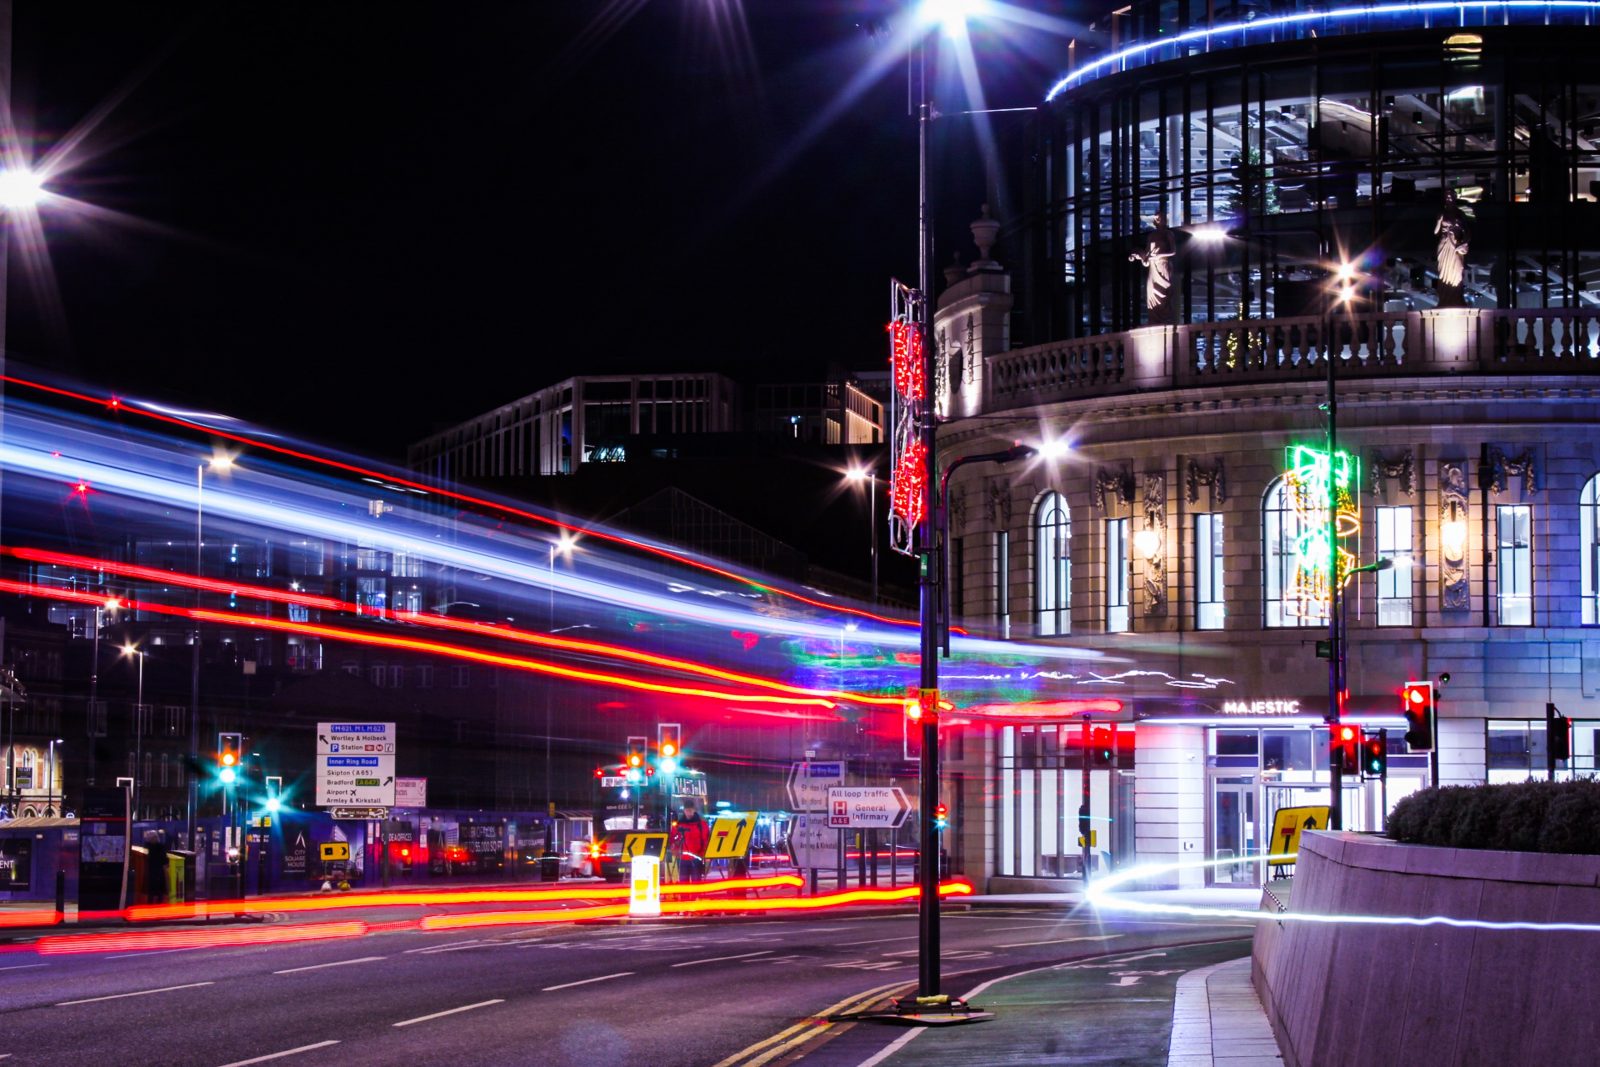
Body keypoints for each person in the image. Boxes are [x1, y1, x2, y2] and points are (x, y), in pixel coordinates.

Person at [672, 800, 711, 882]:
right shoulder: (679, 825)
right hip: (683, 859)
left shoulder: (702, 824)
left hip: (697, 858)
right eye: (687, 810)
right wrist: (675, 850)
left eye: (690, 810)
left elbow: (706, 840)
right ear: (684, 811)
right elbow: (674, 839)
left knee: (696, 883)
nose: (688, 812)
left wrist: (706, 854)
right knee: (684, 884)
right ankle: (686, 895)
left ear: (694, 810)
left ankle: (696, 895)